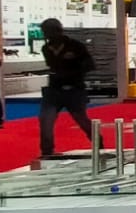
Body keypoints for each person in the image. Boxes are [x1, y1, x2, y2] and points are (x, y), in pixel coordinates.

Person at [38, 18, 94, 158]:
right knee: (45, 120)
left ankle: (99, 145)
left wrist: (73, 71)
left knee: (82, 121)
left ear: (58, 31)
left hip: (74, 89)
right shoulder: (46, 48)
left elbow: (90, 65)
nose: (47, 35)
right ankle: (47, 152)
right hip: (54, 89)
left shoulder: (76, 46)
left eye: (48, 32)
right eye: (45, 32)